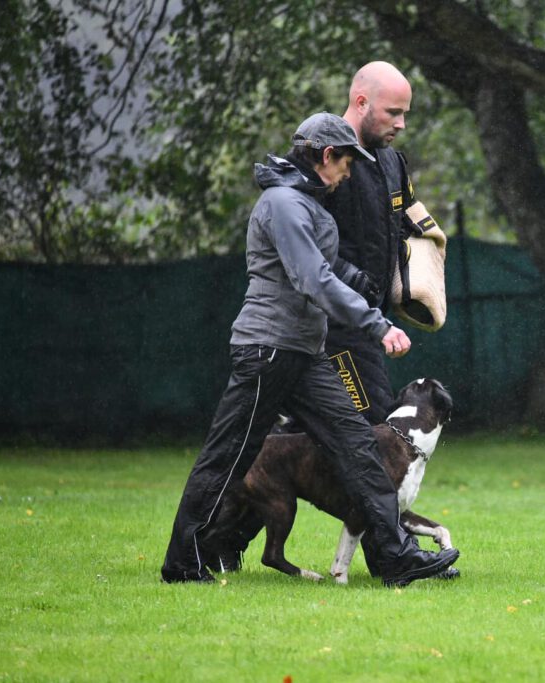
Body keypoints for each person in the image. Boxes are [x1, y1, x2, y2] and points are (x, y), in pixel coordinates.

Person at [160, 112, 459, 586]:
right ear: (326, 157)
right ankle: (183, 563)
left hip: (305, 353)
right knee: (229, 455)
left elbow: (327, 263)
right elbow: (310, 277)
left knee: (359, 445)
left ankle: (397, 557)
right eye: (345, 164)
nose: (348, 173)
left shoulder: (308, 205)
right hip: (267, 350)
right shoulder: (283, 204)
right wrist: (375, 323)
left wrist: (363, 280)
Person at [322, 61, 427, 425]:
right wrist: (359, 284)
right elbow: (303, 249)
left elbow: (407, 231)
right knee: (374, 429)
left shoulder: (393, 162)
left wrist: (419, 278)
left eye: (404, 114)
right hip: (331, 325)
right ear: (362, 102)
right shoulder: (325, 159)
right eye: (393, 113)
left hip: (368, 322)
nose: (401, 124)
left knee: (335, 438)